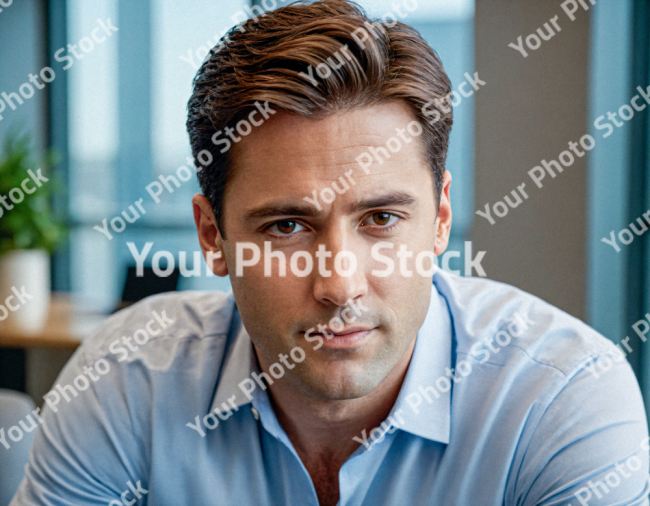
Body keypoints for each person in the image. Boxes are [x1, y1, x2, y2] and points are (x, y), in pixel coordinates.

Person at [11, 1, 650, 505]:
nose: (339, 287)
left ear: (440, 221)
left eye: (381, 218)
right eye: (287, 225)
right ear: (213, 237)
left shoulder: (561, 396)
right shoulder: (126, 381)